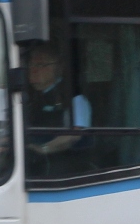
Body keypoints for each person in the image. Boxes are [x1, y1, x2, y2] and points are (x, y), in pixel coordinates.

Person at [25, 43, 91, 172]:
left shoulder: (75, 99)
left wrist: (42, 149)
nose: (33, 70)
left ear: (59, 68)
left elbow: (73, 136)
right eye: (31, 65)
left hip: (65, 174)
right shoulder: (30, 99)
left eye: (41, 65)